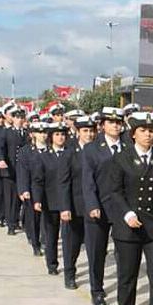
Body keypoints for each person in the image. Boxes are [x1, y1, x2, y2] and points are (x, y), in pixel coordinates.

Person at [102, 112, 153, 305]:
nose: (148, 134)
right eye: (143, 130)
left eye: (151, 130)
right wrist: (126, 213)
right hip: (129, 226)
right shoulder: (121, 158)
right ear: (133, 134)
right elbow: (114, 190)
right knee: (128, 274)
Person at [82, 107, 127, 305]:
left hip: (121, 209)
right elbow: (87, 180)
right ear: (102, 125)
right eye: (111, 122)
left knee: (123, 253)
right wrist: (92, 204)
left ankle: (124, 292)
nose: (115, 126)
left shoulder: (128, 146)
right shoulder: (91, 149)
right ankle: (97, 291)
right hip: (99, 208)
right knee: (97, 252)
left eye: (118, 122)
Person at [58, 116, 96, 289]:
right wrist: (65, 207)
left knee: (93, 245)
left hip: (93, 206)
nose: (89, 134)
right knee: (72, 243)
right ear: (78, 132)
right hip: (75, 205)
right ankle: (69, 273)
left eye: (92, 131)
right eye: (85, 131)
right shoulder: (69, 153)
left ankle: (95, 278)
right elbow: (64, 182)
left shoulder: (98, 151)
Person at [32, 122, 68, 275]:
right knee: (51, 235)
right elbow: (38, 180)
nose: (61, 137)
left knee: (69, 237)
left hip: (68, 201)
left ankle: (69, 265)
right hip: (50, 200)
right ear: (51, 137)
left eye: (63, 134)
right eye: (57, 134)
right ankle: (52, 264)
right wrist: (37, 199)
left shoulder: (71, 153)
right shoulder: (44, 156)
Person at [17, 122, 47, 257]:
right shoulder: (26, 151)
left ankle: (46, 241)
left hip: (49, 189)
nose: (43, 135)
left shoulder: (51, 149)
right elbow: (22, 172)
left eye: (45, 132)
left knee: (47, 219)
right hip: (32, 190)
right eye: (40, 132)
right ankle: (36, 243)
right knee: (33, 219)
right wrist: (23, 189)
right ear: (32, 134)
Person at [0, 107, 28, 235]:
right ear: (13, 118)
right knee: (10, 198)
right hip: (10, 170)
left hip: (23, 171)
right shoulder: (6, 132)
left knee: (21, 198)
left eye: (22, 118)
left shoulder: (26, 133)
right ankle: (11, 224)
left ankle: (17, 221)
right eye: (17, 117)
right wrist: (1, 160)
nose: (20, 120)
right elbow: (0, 147)